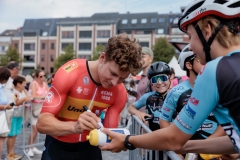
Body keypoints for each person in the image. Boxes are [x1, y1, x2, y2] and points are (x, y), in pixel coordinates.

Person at [99, 0, 240, 155]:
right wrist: (184, 147)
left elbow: (173, 138)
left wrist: (127, 141)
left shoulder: (214, 70)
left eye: (190, 36)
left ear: (207, 29)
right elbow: (234, 139)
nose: (190, 46)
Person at [36, 33, 142, 160]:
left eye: (122, 78)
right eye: (113, 73)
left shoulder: (120, 92)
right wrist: (74, 127)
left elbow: (108, 134)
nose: (114, 82)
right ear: (103, 57)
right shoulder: (70, 73)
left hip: (90, 149)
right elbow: (42, 124)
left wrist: (121, 141)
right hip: (58, 147)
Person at [160, 44, 218, 159]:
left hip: (213, 150)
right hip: (187, 152)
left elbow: (227, 121)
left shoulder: (218, 88)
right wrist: (175, 149)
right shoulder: (176, 92)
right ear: (189, 64)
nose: (207, 64)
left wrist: (208, 148)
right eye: (200, 59)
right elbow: (164, 120)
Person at [128, 61, 172, 160]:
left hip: (172, 145)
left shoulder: (177, 95)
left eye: (163, 78)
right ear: (151, 82)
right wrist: (138, 113)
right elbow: (130, 107)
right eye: (155, 79)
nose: (159, 82)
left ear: (169, 79)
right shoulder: (148, 97)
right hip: (154, 145)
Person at [6, 76, 32, 160]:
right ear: (18, 84)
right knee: (11, 135)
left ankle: (12, 153)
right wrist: (24, 98)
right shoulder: (13, 91)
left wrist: (25, 95)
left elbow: (29, 98)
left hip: (20, 115)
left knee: (15, 135)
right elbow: (16, 103)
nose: (25, 85)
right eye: (23, 83)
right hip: (13, 115)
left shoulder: (23, 91)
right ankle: (9, 154)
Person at [27, 69, 49, 157]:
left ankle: (33, 147)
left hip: (42, 108)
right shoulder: (33, 83)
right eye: (41, 76)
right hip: (34, 108)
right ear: (36, 77)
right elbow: (33, 96)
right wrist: (43, 97)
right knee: (34, 129)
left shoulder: (44, 84)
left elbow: (49, 92)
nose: (43, 78)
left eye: (44, 76)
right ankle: (29, 147)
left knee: (37, 129)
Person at [4, 62, 21, 160]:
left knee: (13, 133)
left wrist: (15, 94)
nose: (18, 71)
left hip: (12, 108)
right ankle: (8, 154)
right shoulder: (5, 78)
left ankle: (11, 152)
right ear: (13, 69)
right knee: (7, 134)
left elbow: (10, 91)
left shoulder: (10, 80)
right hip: (6, 109)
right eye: (17, 69)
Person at [135, 47, 154, 113]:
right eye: (139, 57)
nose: (140, 60)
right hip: (138, 117)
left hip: (146, 119)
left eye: (143, 57)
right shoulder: (142, 76)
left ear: (150, 59)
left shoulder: (152, 77)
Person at [0, 67, 13, 160]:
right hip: (1, 114)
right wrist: (5, 107)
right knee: (1, 138)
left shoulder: (1, 86)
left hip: (2, 114)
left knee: (2, 138)